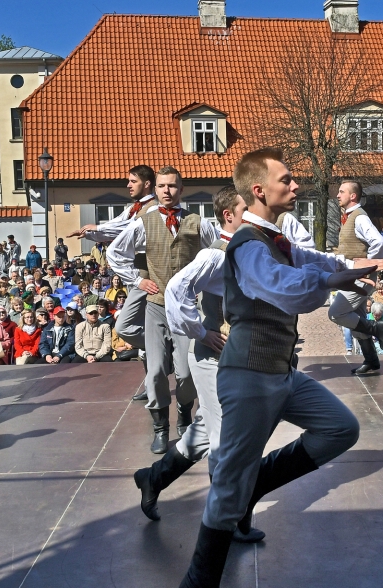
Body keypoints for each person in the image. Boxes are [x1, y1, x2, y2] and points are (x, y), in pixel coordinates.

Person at [179, 148, 383, 588]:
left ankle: (252, 486)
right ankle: (200, 583)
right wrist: (330, 278)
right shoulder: (248, 245)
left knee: (340, 428)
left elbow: (316, 260)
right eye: (286, 180)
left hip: (279, 371)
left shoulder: (277, 238)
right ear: (259, 190)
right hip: (249, 375)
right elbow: (288, 288)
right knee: (229, 480)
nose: (295, 186)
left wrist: (353, 269)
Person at [137, 187, 270, 541]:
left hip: (237, 359)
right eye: (247, 210)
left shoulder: (249, 251)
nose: (255, 215)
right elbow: (175, 289)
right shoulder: (215, 255)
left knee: (204, 432)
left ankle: (153, 478)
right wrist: (200, 331)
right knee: (225, 438)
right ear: (229, 215)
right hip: (212, 359)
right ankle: (228, 521)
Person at [108, 166, 219, 453]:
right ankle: (160, 427)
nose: (166, 191)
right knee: (156, 371)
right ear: (155, 189)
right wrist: (138, 280)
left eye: (171, 186)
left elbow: (218, 252)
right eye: (161, 186)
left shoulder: (197, 222)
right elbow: (115, 253)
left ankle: (184, 414)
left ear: (181, 189)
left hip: (186, 307)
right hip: (156, 306)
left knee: (185, 373)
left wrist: (205, 282)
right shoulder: (143, 223)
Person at [72, 165, 157, 401]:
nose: (128, 185)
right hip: (135, 271)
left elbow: (125, 228)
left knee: (125, 326)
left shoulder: (153, 208)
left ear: (147, 184)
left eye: (133, 181)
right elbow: (116, 226)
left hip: (146, 271)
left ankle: (163, 347)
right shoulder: (134, 208)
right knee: (144, 328)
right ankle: (153, 385)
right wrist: (88, 233)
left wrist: (97, 228)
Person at [327, 180, 383, 376]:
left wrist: (368, 265)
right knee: (357, 319)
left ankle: (377, 328)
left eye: (341, 192)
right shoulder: (349, 217)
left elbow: (378, 242)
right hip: (353, 276)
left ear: (352, 196)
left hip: (360, 277)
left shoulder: (359, 217)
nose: (338, 195)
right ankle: (371, 360)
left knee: (336, 313)